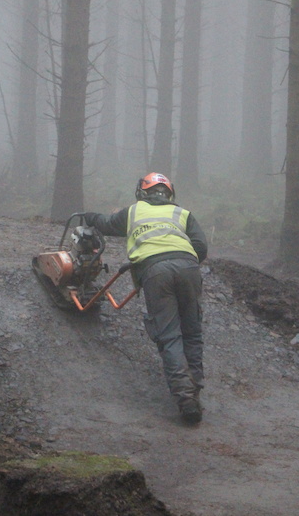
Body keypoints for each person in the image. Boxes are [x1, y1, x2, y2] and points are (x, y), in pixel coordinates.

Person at [84, 172, 208, 425]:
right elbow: (201, 246)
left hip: (155, 272)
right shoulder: (182, 214)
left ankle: (185, 399)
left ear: (142, 192)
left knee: (169, 334)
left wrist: (89, 216)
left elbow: (106, 224)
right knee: (192, 332)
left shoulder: (134, 211)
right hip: (188, 267)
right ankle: (194, 390)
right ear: (169, 193)